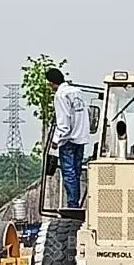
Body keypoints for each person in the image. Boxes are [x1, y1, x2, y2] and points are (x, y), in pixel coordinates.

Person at [47, 67, 89, 208]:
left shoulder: (60, 96)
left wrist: (55, 141)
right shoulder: (77, 92)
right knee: (77, 173)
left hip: (68, 140)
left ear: (52, 83)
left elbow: (63, 123)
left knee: (69, 174)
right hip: (81, 138)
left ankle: (73, 204)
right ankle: (75, 203)